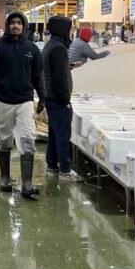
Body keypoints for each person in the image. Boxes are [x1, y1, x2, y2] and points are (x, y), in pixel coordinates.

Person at [0, 11, 45, 198]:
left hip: (25, 101)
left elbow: (38, 76)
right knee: (4, 139)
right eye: (12, 23)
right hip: (3, 101)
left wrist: (42, 97)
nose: (16, 26)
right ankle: (5, 179)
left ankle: (27, 184)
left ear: (24, 26)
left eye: (19, 23)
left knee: (28, 138)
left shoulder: (32, 49)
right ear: (8, 26)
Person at [41, 15, 75, 180]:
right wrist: (66, 100)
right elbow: (60, 77)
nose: (70, 32)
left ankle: (52, 166)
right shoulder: (59, 48)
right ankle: (65, 171)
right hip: (58, 98)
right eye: (69, 29)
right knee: (62, 134)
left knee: (54, 133)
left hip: (50, 97)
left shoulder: (50, 45)